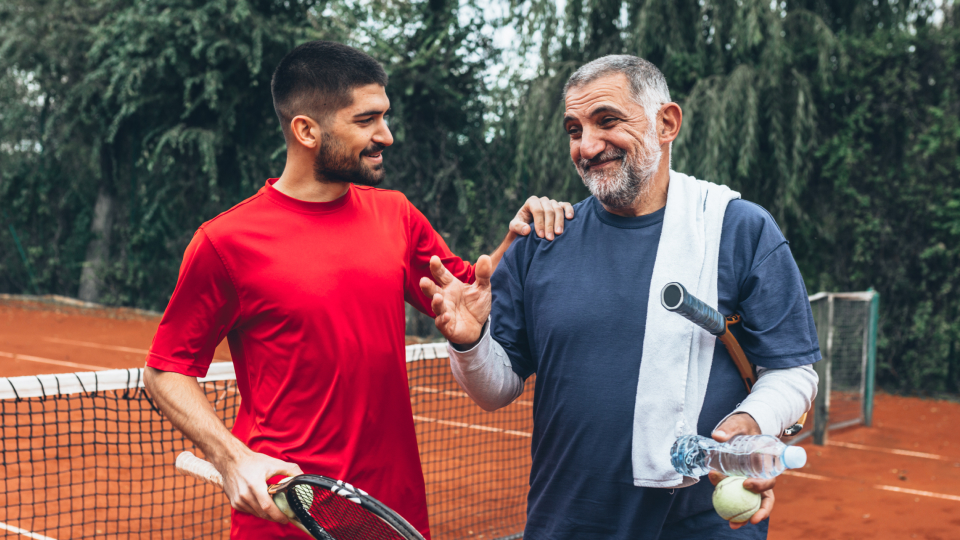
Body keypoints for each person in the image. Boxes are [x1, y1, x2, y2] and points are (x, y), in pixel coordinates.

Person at [142, 40, 573, 540]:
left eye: (384, 117)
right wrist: (232, 457)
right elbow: (166, 370)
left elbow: (466, 294)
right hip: (287, 515)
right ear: (306, 130)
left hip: (392, 514)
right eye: (367, 120)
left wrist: (516, 242)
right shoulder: (225, 242)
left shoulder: (397, 216)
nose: (386, 135)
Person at [419, 55, 820, 539]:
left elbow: (793, 372)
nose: (587, 146)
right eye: (574, 130)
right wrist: (469, 341)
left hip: (702, 523)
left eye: (607, 121)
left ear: (666, 123)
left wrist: (750, 420)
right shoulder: (542, 241)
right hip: (568, 520)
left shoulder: (740, 230)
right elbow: (494, 389)